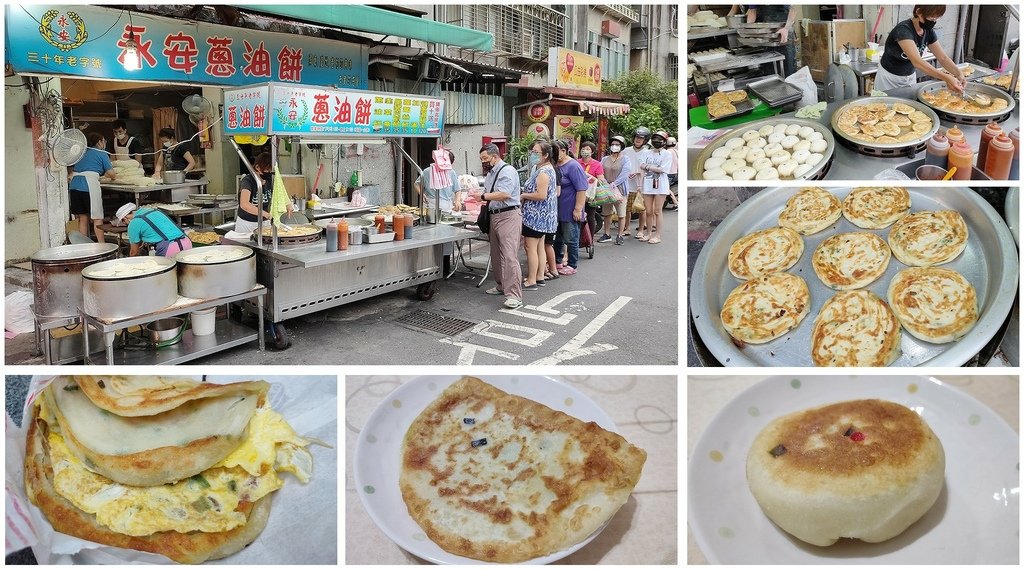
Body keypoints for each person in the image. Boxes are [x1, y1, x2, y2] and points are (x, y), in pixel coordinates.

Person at [473, 144, 523, 310]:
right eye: (481, 159)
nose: (483, 162)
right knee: (496, 255)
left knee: (509, 256)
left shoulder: (507, 171)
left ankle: (514, 295)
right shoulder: (491, 173)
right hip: (495, 216)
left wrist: (482, 196)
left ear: (495, 156)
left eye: (485, 159)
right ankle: (501, 285)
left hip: (508, 215)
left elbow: (505, 193)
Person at [874, 5, 965, 93]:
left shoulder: (928, 31)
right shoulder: (903, 30)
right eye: (932, 17)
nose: (934, 21)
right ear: (918, 12)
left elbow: (943, 58)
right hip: (889, 79)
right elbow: (917, 62)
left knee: (908, 106)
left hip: (909, 77)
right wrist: (946, 77)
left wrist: (959, 74)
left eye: (936, 18)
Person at [520, 140, 559, 290]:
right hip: (543, 217)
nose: (532, 155)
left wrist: (524, 195)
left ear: (546, 155)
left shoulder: (544, 172)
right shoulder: (544, 168)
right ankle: (539, 276)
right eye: (532, 152)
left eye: (536, 153)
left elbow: (541, 195)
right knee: (539, 247)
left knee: (531, 248)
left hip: (536, 217)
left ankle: (531, 280)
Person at [68, 131, 115, 243]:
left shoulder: (81, 153)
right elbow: (112, 174)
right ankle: (102, 245)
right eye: (104, 141)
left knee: (83, 218)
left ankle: (84, 246)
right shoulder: (101, 153)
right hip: (88, 186)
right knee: (97, 218)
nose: (104, 144)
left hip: (74, 186)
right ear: (99, 142)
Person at [552, 140, 590, 276]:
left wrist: (578, 209)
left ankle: (573, 264)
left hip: (570, 208)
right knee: (558, 238)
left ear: (564, 150)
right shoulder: (555, 164)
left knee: (571, 237)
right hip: (557, 209)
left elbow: (581, 188)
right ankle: (557, 261)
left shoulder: (573, 166)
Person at [235, 151, 293, 233]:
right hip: (247, 224)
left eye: (271, 170)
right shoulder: (247, 181)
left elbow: (280, 189)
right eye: (267, 170)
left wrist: (288, 204)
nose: (269, 173)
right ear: (257, 167)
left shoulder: (270, 179)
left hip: (265, 223)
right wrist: (266, 214)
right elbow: (244, 205)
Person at [115, 202, 193, 257]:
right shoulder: (154, 211)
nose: (126, 224)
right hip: (187, 242)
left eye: (124, 222)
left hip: (169, 249)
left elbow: (134, 252)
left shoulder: (133, 224)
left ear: (124, 218)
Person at [596, 135, 633, 245]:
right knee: (607, 213)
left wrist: (614, 184)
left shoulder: (625, 159)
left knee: (621, 213)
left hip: (620, 190)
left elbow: (625, 174)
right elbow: (600, 171)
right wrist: (604, 183)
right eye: (612, 144)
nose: (614, 146)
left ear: (621, 146)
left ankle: (620, 235)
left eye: (617, 145)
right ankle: (606, 234)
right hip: (606, 189)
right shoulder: (604, 159)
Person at [638, 131, 672, 244]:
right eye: (655, 139)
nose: (657, 141)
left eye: (660, 139)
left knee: (657, 211)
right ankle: (648, 234)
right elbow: (641, 166)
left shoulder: (667, 154)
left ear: (664, 142)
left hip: (660, 185)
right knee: (648, 211)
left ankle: (657, 235)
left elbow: (663, 169)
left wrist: (647, 166)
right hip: (647, 184)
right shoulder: (646, 153)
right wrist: (641, 184)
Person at [747, 5, 799, 76]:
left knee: (787, 66)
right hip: (766, 33)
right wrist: (748, 30)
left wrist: (786, 28)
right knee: (769, 66)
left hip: (783, 30)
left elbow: (793, 10)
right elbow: (752, 11)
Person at [622, 126, 650, 239]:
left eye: (641, 138)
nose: (638, 140)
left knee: (641, 208)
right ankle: (627, 228)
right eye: (637, 137)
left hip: (641, 185)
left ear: (645, 140)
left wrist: (638, 173)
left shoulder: (647, 153)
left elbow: (649, 168)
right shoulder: (626, 151)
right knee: (627, 208)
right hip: (627, 184)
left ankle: (641, 230)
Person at [414, 149, 463, 214]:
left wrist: (457, 201)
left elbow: (457, 190)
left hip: (447, 206)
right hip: (431, 205)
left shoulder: (451, 172)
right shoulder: (427, 172)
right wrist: (422, 194)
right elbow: (416, 184)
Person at [577, 141, 604, 237]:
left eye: (587, 149)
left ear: (592, 152)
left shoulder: (597, 164)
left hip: (590, 194)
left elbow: (601, 180)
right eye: (583, 148)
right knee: (577, 215)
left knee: (590, 216)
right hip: (578, 192)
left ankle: (590, 238)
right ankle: (578, 238)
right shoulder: (576, 162)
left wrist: (593, 178)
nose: (584, 150)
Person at [664, 135, 679, 210]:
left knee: (665, 188)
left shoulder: (667, 152)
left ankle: (676, 203)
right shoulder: (676, 151)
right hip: (675, 173)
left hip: (669, 173)